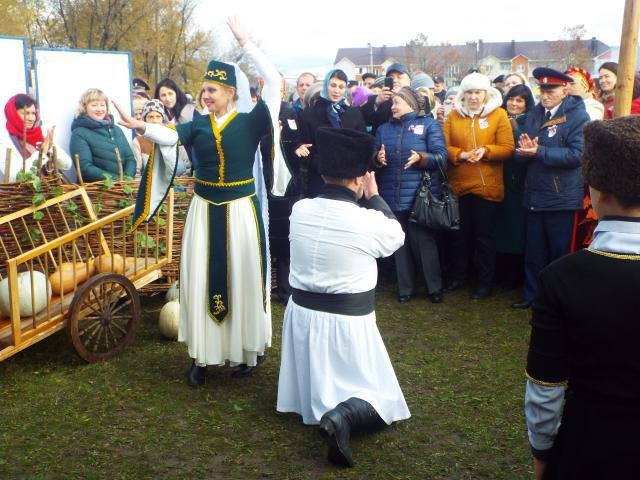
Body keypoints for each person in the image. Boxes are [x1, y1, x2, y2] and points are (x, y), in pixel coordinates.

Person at [116, 17, 278, 386]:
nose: (206, 95)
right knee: (201, 279)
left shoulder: (252, 120)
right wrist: (139, 126)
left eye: (214, 90)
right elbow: (169, 136)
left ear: (231, 92)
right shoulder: (198, 124)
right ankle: (202, 357)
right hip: (204, 212)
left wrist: (246, 41)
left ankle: (246, 352)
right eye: (204, 89)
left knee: (244, 277)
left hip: (241, 212)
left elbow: (276, 84)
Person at [276, 127, 410, 468]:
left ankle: (327, 408)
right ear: (361, 178)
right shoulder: (366, 221)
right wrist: (375, 197)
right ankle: (344, 416)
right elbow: (396, 236)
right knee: (387, 401)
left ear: (323, 173)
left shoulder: (300, 210)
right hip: (347, 326)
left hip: (302, 319)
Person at [524, 115, 640, 480]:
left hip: (591, 447)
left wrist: (542, 451)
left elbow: (546, 385)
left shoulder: (562, 278)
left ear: (596, 192)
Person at [511, 68, 590, 309]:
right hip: (535, 193)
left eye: (551, 90)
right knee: (534, 251)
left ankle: (558, 300)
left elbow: (577, 155)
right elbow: (525, 150)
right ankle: (532, 295)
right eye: (542, 90)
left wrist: (539, 152)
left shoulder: (578, 116)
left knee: (559, 254)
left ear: (565, 89)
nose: (545, 95)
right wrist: (523, 151)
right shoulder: (535, 114)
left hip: (561, 196)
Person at [443, 72, 515, 299]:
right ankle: (459, 276)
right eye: (469, 93)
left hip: (487, 187)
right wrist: (461, 154)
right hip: (460, 185)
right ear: (463, 95)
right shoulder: (453, 117)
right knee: (460, 236)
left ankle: (484, 282)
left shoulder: (499, 115)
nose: (473, 97)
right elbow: (443, 147)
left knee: (484, 237)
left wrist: (486, 151)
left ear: (486, 94)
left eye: (478, 92)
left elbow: (507, 147)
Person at [375, 86, 447, 303]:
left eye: (397, 102)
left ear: (411, 104)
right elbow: (373, 157)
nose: (393, 106)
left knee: (423, 242)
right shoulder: (383, 129)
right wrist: (378, 158)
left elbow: (442, 157)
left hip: (420, 195)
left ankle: (434, 287)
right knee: (399, 243)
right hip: (392, 193)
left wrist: (422, 158)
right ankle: (405, 288)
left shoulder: (429, 125)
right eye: (392, 102)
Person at [295, 69, 366, 198]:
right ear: (326, 85)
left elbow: (362, 143)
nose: (336, 91)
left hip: (348, 179)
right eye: (333, 85)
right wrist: (300, 148)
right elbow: (304, 144)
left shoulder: (353, 113)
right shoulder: (309, 114)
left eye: (341, 87)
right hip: (319, 178)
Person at [495, 84, 535, 288]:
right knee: (500, 227)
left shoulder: (530, 120)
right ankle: (499, 272)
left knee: (516, 229)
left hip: (519, 180)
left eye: (519, 100)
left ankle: (514, 275)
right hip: (499, 176)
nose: (514, 103)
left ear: (526, 104)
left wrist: (515, 129)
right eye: (511, 98)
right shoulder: (498, 116)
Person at [69, 88, 136, 182]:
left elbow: (130, 159)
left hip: (123, 190)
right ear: (84, 108)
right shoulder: (79, 133)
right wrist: (116, 181)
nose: (99, 109)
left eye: (102, 105)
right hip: (97, 193)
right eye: (94, 105)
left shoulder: (117, 130)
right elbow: (85, 167)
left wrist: (127, 179)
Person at [2, 94, 72, 182]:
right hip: (25, 194)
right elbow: (14, 178)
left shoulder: (39, 134)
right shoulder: (5, 142)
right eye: (26, 113)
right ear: (13, 113)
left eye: (33, 113)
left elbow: (67, 165)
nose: (31, 118)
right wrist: (41, 153)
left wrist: (50, 149)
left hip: (51, 190)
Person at [132, 99, 191, 178]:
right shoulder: (138, 142)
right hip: (149, 187)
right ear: (145, 119)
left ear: (162, 118)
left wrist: (178, 183)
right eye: (150, 117)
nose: (155, 121)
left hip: (176, 186)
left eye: (158, 116)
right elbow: (136, 173)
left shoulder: (173, 136)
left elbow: (186, 167)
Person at [360, 63, 412, 135]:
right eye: (391, 77)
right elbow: (363, 121)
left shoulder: (420, 100)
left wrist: (402, 97)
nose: (395, 80)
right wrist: (376, 102)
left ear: (409, 81)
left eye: (399, 77)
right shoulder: (377, 100)